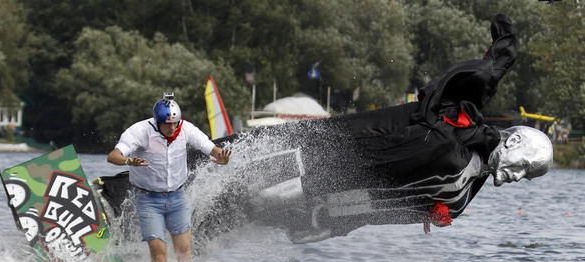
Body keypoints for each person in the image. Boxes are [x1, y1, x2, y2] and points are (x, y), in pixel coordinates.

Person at [209, 14, 553, 242]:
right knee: (259, 174)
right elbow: (483, 76)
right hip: (335, 152)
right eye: (524, 166)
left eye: (527, 176)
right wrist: (506, 46)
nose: (518, 176)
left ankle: (199, 237)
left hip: (338, 204)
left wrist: (336, 222)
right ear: (512, 143)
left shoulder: (465, 189)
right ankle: (200, 168)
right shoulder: (456, 126)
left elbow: (394, 204)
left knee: (265, 216)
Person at [107, 92, 231, 262]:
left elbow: (211, 148)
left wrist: (222, 158)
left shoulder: (186, 128)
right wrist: (128, 161)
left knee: (184, 252)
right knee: (159, 254)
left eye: (175, 123)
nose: (172, 128)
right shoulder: (140, 132)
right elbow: (113, 156)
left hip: (177, 198)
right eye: (167, 124)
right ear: (157, 122)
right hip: (149, 200)